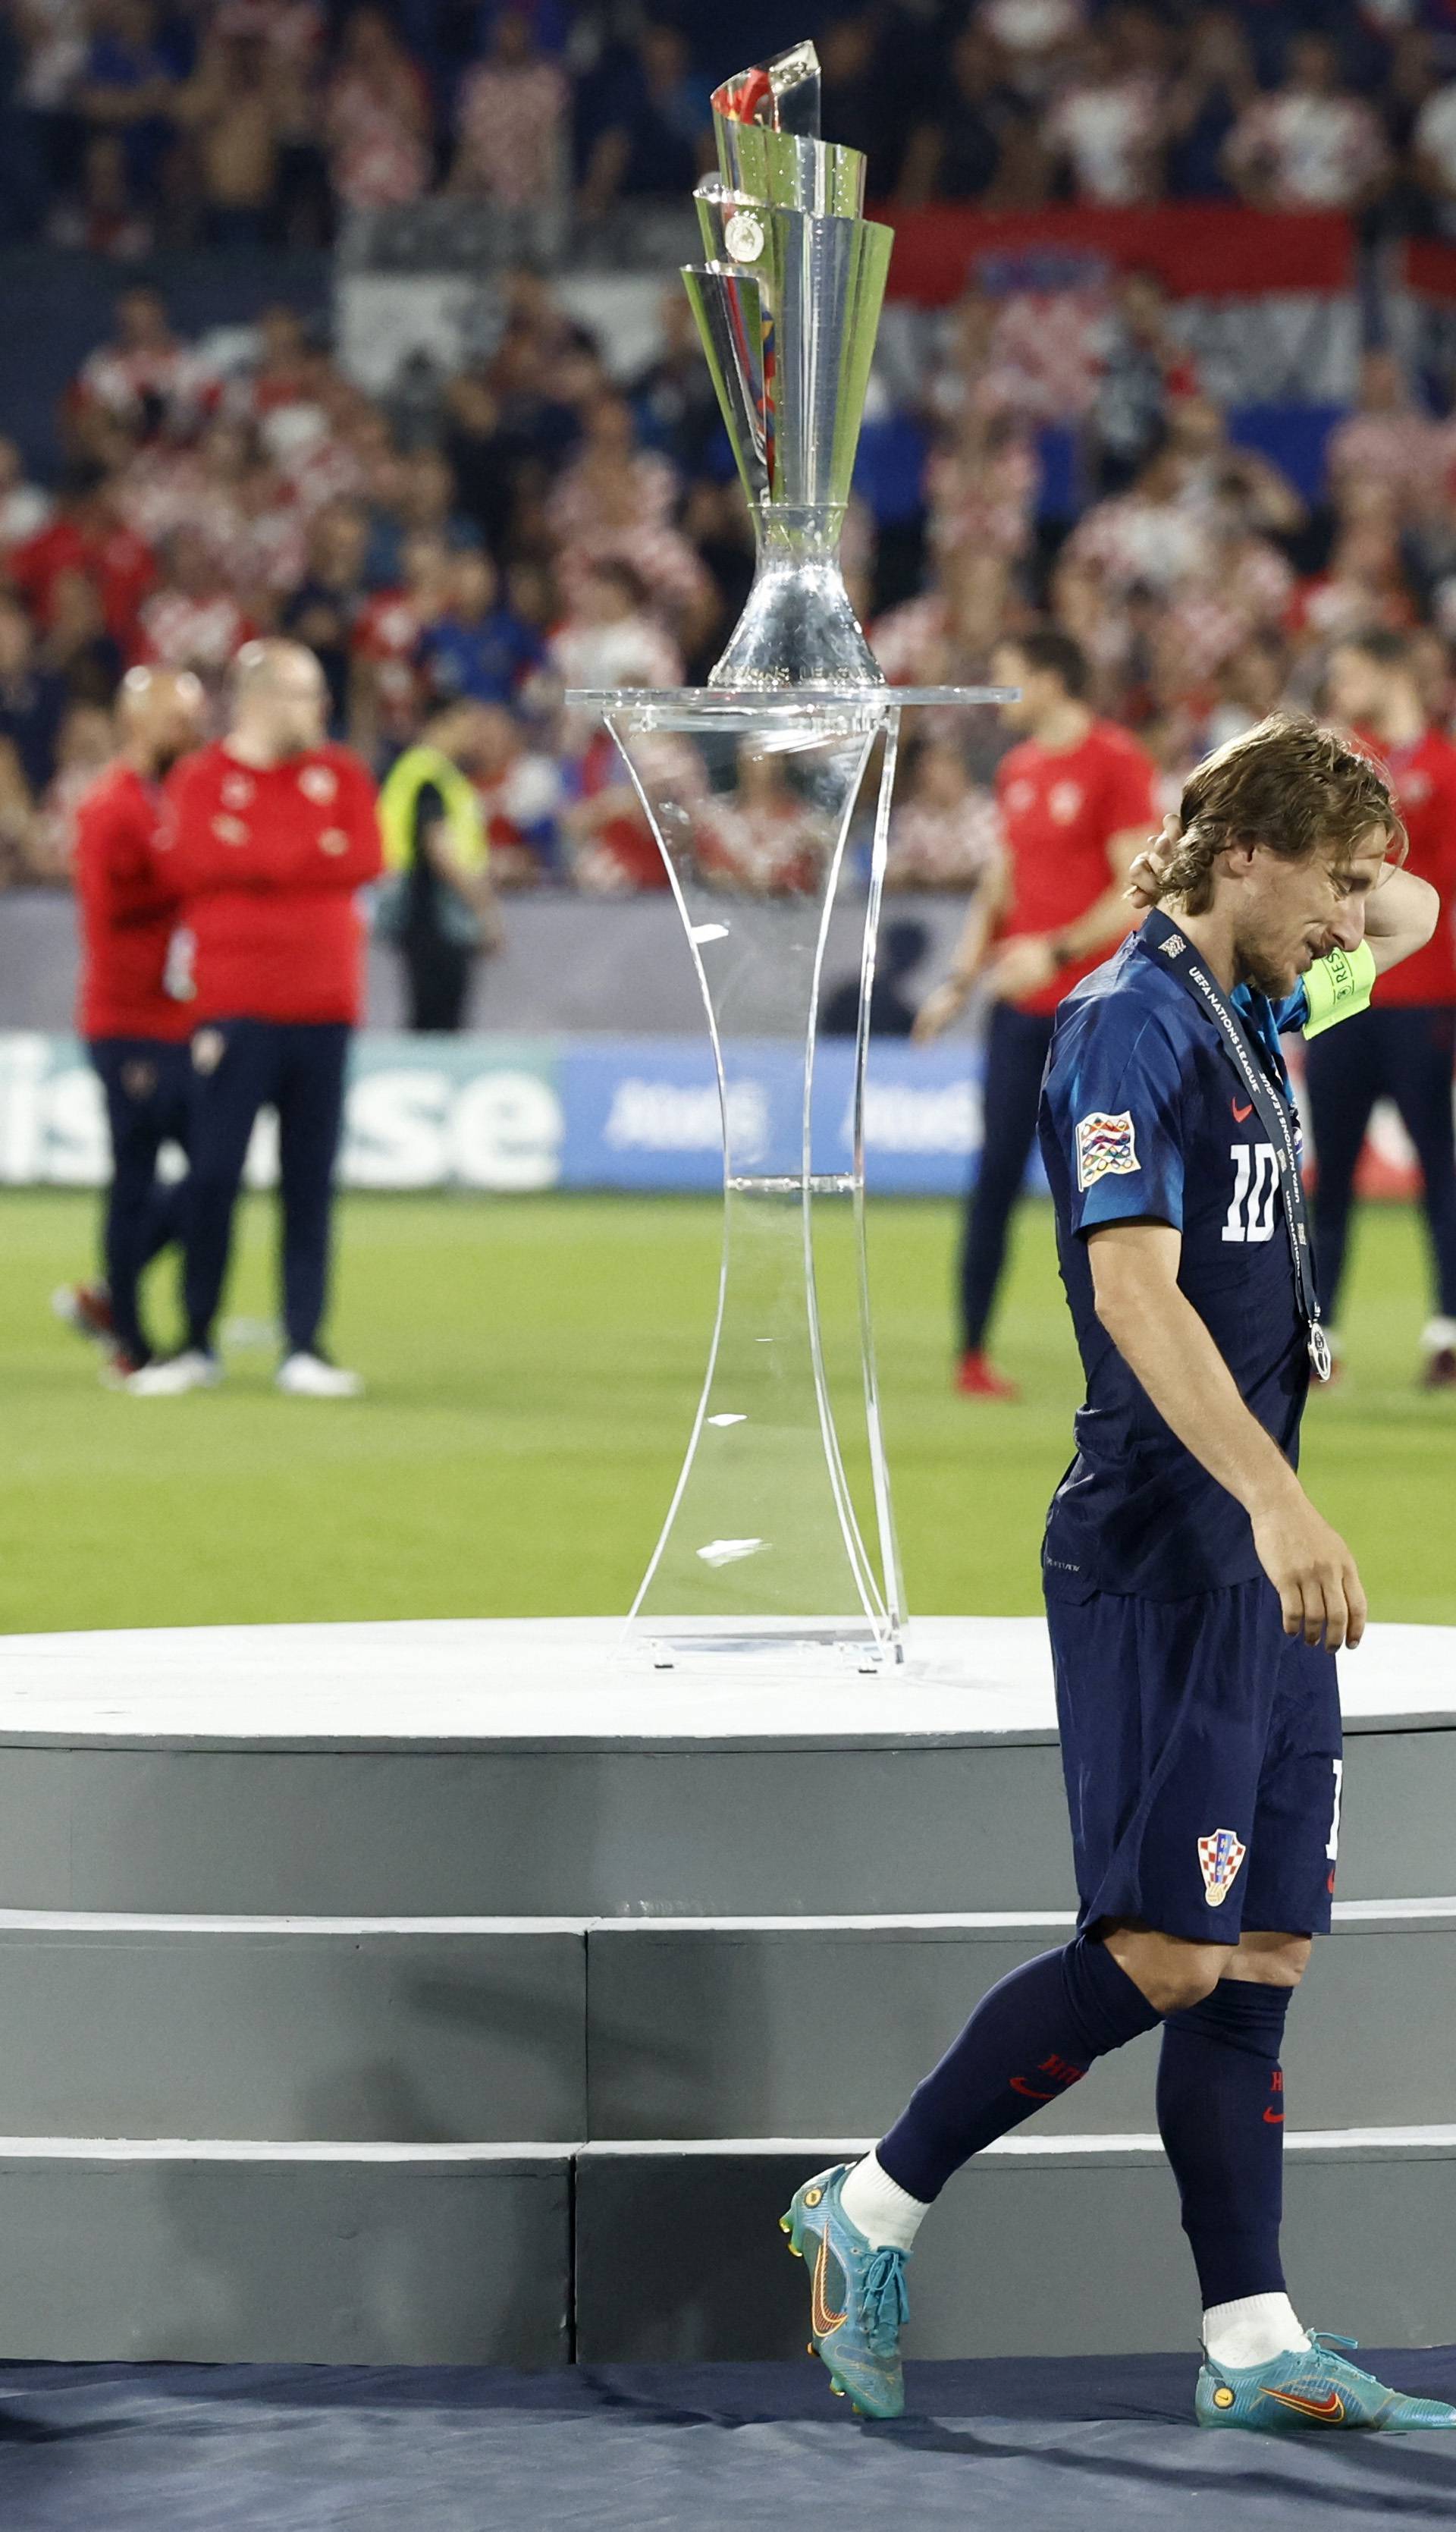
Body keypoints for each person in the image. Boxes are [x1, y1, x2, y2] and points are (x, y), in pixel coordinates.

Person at [782, 714, 1456, 2435]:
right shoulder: (1126, 1024)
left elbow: (1417, 917)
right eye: (1318, 871)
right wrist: (1278, 1505)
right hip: (1167, 1544)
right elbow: (1139, 1293)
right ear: (1239, 856)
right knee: (1163, 1946)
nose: (1345, 915)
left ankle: (1250, 2337)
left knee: (1264, 1949)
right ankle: (866, 2201)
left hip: (1259, 1547)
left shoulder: (1259, 992)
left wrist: (1331, 855)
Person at [127, 640, 381, 1398]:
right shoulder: (203, 778)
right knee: (212, 1177)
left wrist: (259, 859)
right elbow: (193, 866)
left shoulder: (342, 773)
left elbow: (364, 855)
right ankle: (195, 1340)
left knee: (310, 1184)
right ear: (262, 698)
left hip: (325, 1010)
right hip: (232, 1012)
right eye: (307, 694)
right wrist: (307, 851)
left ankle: (304, 1343)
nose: (322, 710)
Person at [915, 628, 1159, 1398]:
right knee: (993, 1178)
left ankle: (1123, 1359)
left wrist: (1054, 952)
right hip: (1020, 1013)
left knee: (1099, 1191)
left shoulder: (1115, 760)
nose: (1004, 692)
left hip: (1096, 1013)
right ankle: (972, 1355)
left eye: (1012, 674)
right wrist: (959, 977)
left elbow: (1136, 889)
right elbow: (1001, 880)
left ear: (1053, 679)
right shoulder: (1019, 770)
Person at [55, 666, 206, 1377]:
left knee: (214, 1166)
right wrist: (193, 868)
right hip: (129, 1022)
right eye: (181, 719)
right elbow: (115, 907)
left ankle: (113, 1297)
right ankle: (130, 1343)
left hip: (179, 1017)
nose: (194, 732)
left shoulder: (166, 796)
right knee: (137, 1174)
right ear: (138, 721)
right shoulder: (111, 805)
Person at [1320, 630, 1456, 1384]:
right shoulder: (1344, 767)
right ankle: (1318, 1336)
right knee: (1327, 1168)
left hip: (1423, 993)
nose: (1338, 691)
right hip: (1342, 987)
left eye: (1347, 673)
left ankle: (1448, 1329)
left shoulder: (1443, 764)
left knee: (1438, 1163)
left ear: (1387, 669)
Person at [377, 704, 502, 1032]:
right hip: (434, 912)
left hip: (427, 910)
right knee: (438, 1021)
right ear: (444, 723)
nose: (473, 736)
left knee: (432, 1017)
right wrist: (483, 907)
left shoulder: (431, 772)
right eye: (466, 724)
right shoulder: (429, 775)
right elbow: (441, 849)